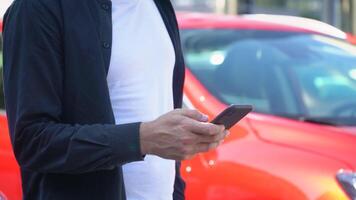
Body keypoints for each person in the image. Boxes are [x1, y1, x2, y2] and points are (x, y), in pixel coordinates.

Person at [2, 0, 228, 199]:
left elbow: (162, 112)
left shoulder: (160, 6)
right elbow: (33, 141)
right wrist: (140, 139)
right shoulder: (38, 8)